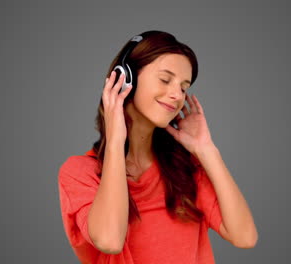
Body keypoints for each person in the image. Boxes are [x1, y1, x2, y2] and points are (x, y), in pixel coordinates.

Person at [58, 30, 258, 263]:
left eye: (184, 87)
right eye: (165, 79)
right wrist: (115, 141)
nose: (177, 95)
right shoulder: (79, 173)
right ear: (126, 78)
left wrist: (206, 150)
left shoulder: (185, 168)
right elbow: (110, 240)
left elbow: (245, 237)